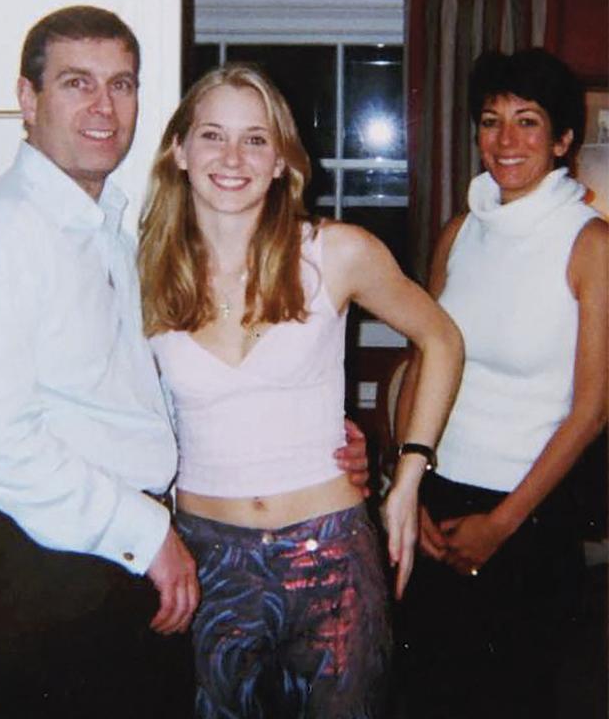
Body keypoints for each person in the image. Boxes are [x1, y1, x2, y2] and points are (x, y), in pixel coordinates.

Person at [0, 7, 369, 719]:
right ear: (28, 99)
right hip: (53, 581)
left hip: (112, 571)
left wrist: (319, 435)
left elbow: (131, 399)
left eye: (122, 85)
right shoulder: (3, 230)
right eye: (76, 83)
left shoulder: (110, 233)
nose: (104, 107)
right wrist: (148, 533)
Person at [138, 64, 464, 718]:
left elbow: (442, 340)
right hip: (206, 562)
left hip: (334, 559)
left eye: (256, 139)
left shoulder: (335, 253)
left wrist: (407, 477)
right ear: (179, 150)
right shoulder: (140, 268)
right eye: (212, 135)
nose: (233, 158)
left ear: (284, 160)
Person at [395, 49, 608, 719]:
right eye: (491, 121)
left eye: (528, 121)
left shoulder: (591, 244)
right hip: (438, 499)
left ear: (563, 140)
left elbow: (594, 408)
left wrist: (503, 525)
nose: (506, 141)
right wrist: (411, 489)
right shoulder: (460, 231)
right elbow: (421, 364)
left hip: (528, 515)